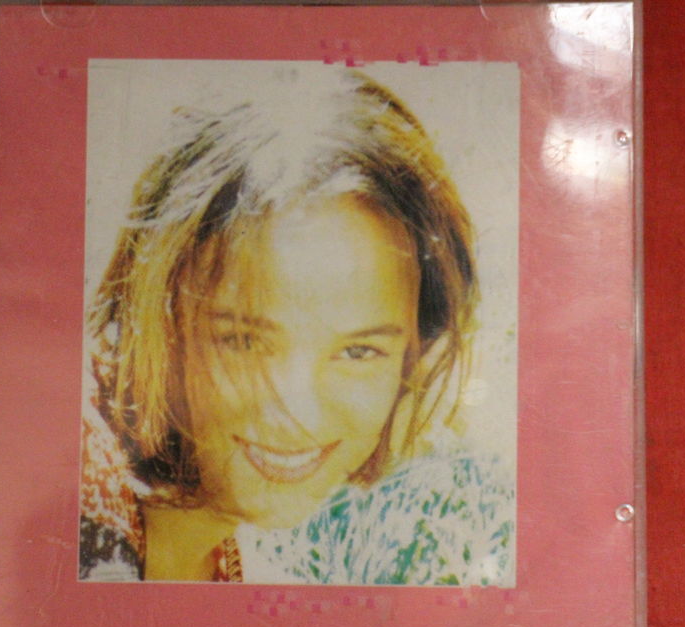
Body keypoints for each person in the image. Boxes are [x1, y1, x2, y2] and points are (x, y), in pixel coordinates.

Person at [79, 66, 513, 585]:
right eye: (244, 341)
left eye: (359, 352)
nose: (297, 416)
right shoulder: (81, 520)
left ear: (416, 356)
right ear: (160, 315)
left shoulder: (232, 558)